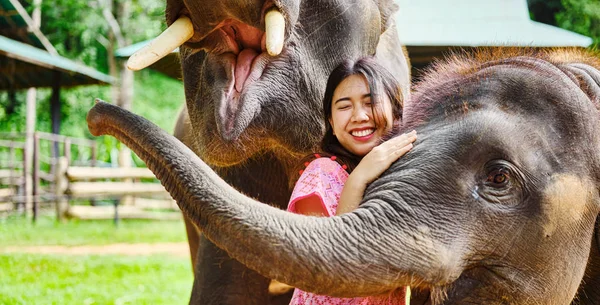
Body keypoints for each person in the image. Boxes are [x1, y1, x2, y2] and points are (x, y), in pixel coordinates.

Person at [286, 57, 416, 304]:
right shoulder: (319, 174)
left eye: (371, 103)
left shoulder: (406, 176)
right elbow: (329, 264)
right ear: (331, 123)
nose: (359, 116)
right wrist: (360, 176)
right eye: (344, 107)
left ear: (396, 111)